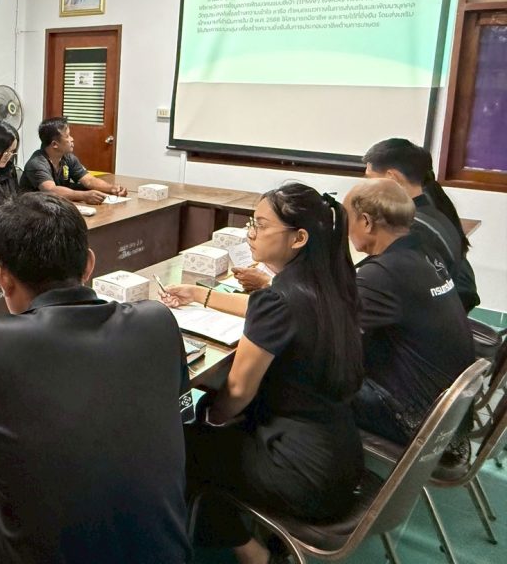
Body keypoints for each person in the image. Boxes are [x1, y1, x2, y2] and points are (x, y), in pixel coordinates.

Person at [0, 193, 191, 564]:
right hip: (165, 555)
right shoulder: (158, 320)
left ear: (2, 278)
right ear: (89, 264)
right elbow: (181, 416)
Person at [162, 183, 364, 564]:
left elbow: (238, 391)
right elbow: (265, 307)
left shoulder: (280, 299)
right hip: (342, 460)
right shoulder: (328, 284)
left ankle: (253, 554)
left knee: (178, 447)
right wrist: (200, 294)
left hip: (298, 472)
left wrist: (209, 416)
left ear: (299, 238)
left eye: (260, 225)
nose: (250, 234)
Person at [345, 178, 474, 456]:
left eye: (347, 219)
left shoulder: (384, 273)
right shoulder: (424, 253)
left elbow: (324, 326)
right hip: (451, 415)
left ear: (366, 222)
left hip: (418, 420)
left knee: (303, 378)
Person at [364, 138, 480, 311]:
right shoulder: (431, 207)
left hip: (442, 310)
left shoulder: (412, 227)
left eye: (369, 178)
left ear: (391, 177)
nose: (366, 187)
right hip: (453, 301)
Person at [19, 116, 127, 204]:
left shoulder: (68, 157)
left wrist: (112, 189)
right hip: (32, 212)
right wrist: (84, 196)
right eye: (67, 136)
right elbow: (51, 190)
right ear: (54, 144)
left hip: (56, 207)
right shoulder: (37, 163)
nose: (72, 139)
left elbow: (89, 180)